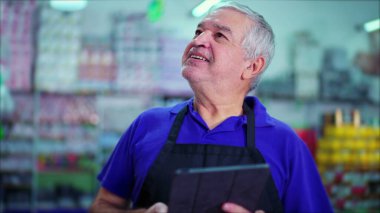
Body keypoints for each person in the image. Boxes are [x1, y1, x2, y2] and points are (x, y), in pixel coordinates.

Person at [90, 1, 333, 213]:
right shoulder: (147, 125)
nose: (198, 40)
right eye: (198, 31)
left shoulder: (285, 144)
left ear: (252, 66)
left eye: (219, 36)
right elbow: (103, 206)